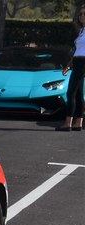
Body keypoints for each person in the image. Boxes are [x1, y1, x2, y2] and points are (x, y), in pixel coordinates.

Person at [58, 3, 85, 131]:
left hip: (83, 63)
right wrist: (69, 65)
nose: (82, 16)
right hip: (77, 62)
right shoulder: (82, 31)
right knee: (78, 94)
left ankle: (67, 123)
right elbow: (77, 51)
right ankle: (78, 123)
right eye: (80, 14)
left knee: (70, 93)